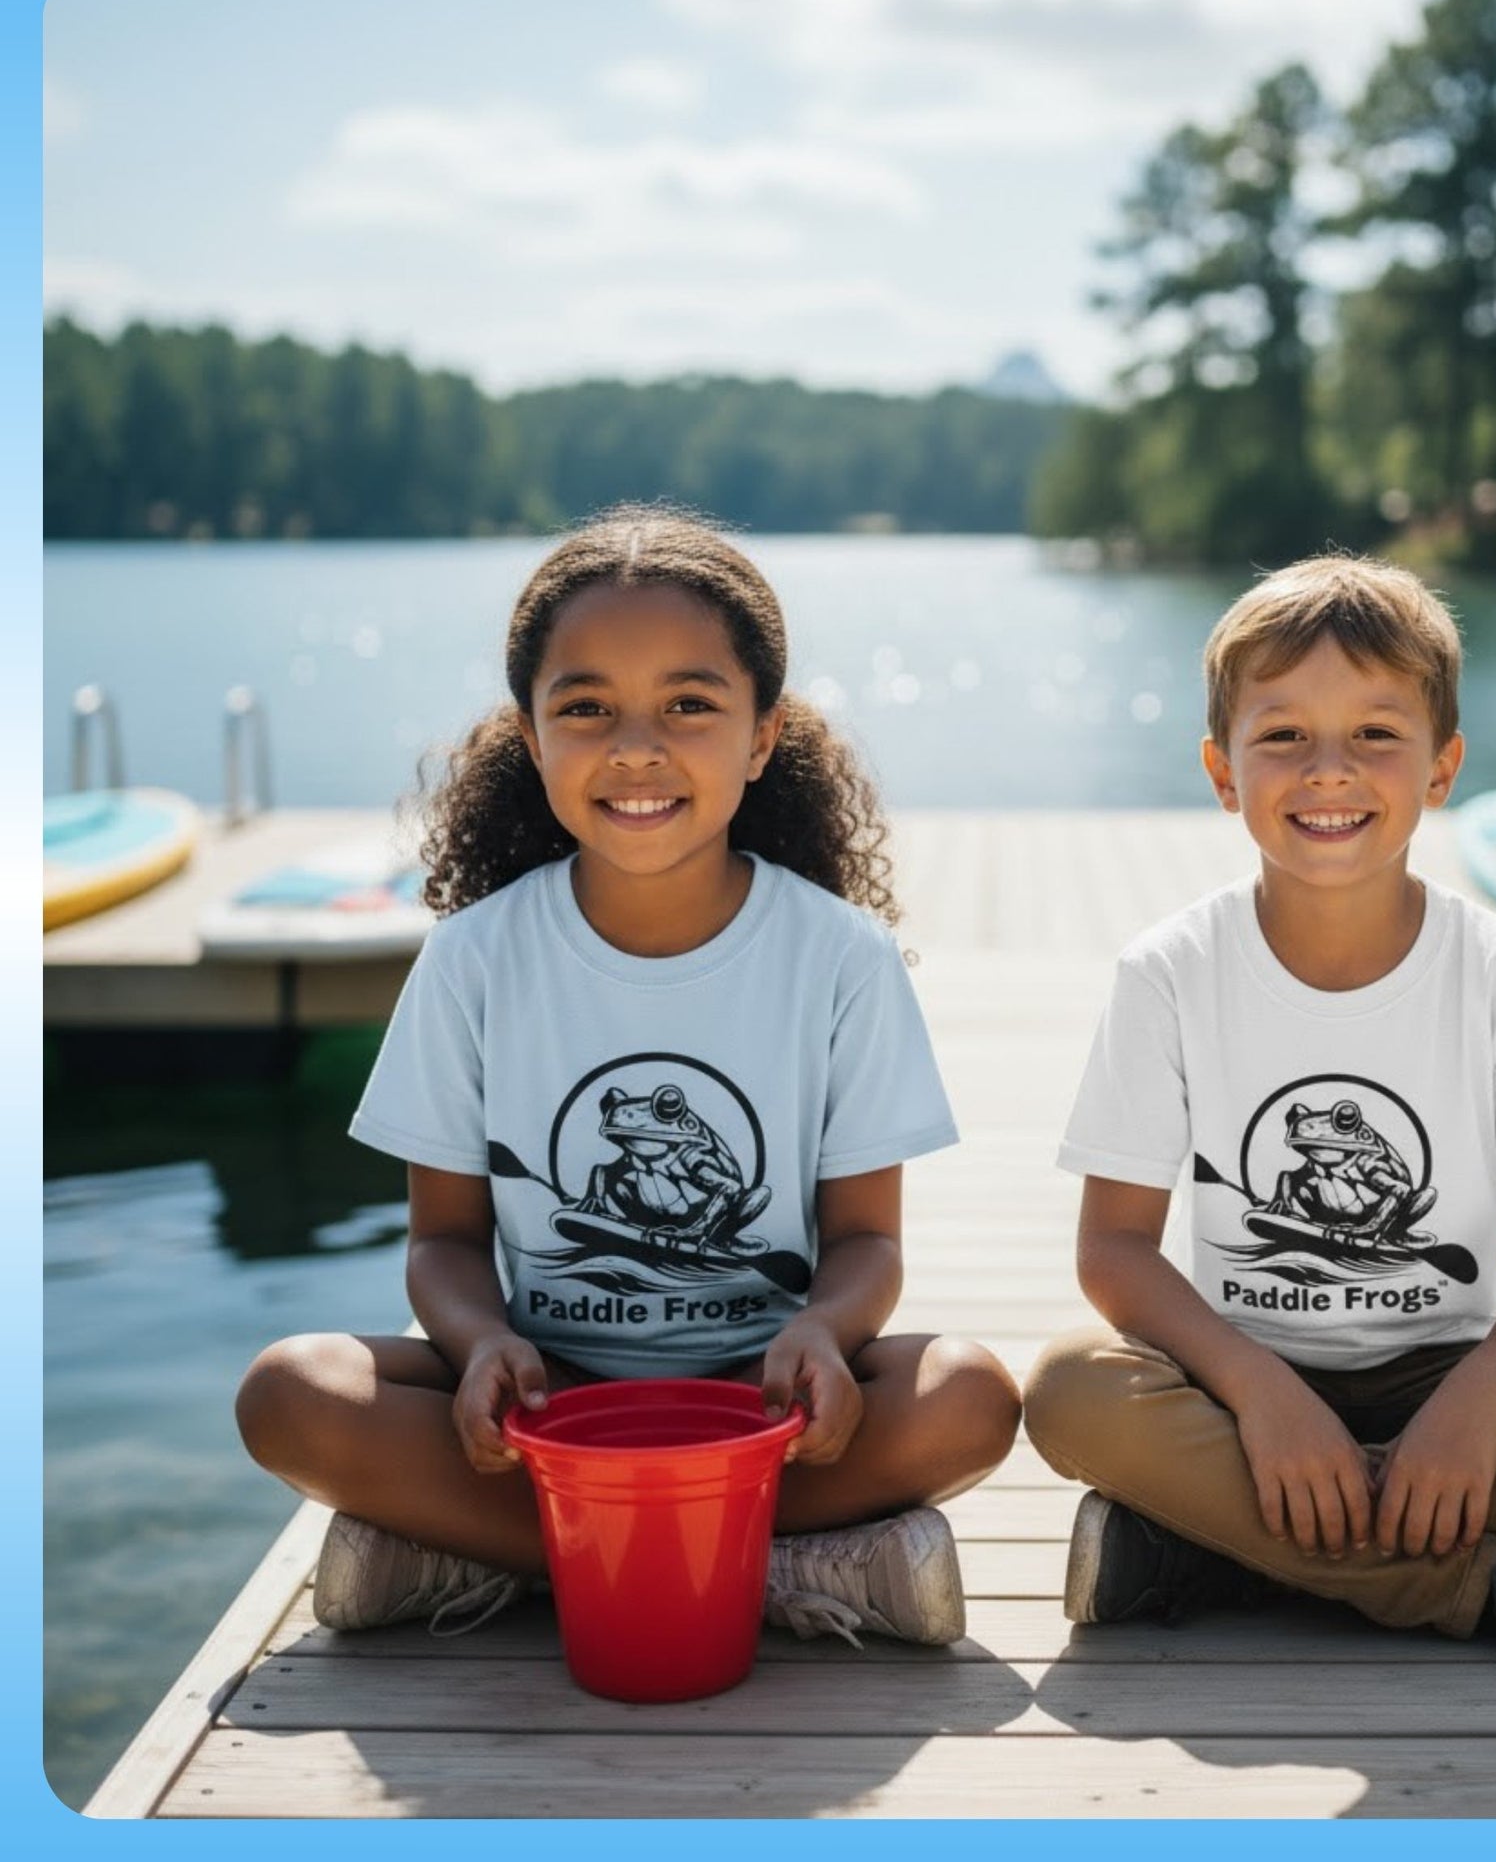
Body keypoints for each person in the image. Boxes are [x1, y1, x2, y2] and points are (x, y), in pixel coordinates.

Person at [237, 507, 1021, 1647]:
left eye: (690, 705)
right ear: (532, 733)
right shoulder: (472, 959)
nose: (636, 746)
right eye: (586, 706)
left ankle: (481, 1551)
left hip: (759, 1407)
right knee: (289, 1389)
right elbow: (443, 1243)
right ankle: (779, 1563)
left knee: (968, 1392)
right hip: (549, 1405)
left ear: (761, 737)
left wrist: (825, 1328)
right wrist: (480, 1344)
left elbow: (868, 1242)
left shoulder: (840, 957)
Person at [1023, 555, 1496, 1679]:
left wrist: (1473, 1405)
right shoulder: (1168, 971)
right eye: (1281, 737)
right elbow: (1112, 1248)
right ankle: (1489, 1581)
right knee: (1070, 1388)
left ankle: (1219, 1550)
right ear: (1221, 771)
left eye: (1372, 734)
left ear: (1440, 767)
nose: (1328, 772)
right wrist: (1260, 1395)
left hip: (1454, 1378)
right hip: (1240, 1379)